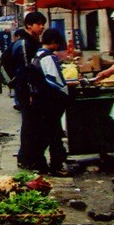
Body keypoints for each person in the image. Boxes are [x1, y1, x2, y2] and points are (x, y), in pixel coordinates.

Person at [25, 28, 71, 176]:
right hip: (49, 101)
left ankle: (40, 163)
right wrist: (65, 92)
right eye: (57, 43)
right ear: (53, 42)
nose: (58, 47)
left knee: (46, 133)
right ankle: (56, 165)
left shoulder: (37, 55)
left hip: (39, 100)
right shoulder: (49, 58)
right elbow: (54, 80)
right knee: (54, 134)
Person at [13, 11, 47, 169]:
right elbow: (27, 71)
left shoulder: (33, 41)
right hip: (27, 91)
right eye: (39, 24)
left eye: (43, 24)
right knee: (30, 125)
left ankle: (32, 157)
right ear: (29, 25)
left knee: (35, 125)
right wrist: (32, 92)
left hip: (34, 90)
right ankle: (25, 159)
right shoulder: (25, 44)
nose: (42, 27)